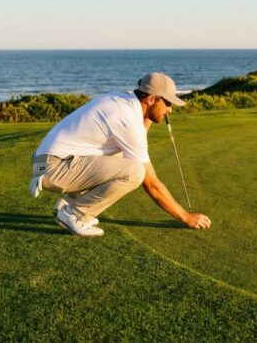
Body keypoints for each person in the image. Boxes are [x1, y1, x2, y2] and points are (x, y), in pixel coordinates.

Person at [28, 72, 212, 237]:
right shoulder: (127, 118)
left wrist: (150, 116)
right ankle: (74, 214)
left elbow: (137, 142)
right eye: (168, 103)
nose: (170, 110)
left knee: (124, 158)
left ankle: (67, 204)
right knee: (135, 172)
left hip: (53, 163)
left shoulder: (125, 102)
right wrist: (185, 217)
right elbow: (152, 185)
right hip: (55, 168)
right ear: (150, 99)